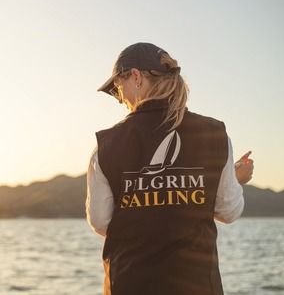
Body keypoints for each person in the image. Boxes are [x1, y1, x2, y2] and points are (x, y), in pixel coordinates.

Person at [86, 42, 254, 295]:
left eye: (118, 89)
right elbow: (228, 211)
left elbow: (100, 221)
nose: (120, 99)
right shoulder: (215, 135)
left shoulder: (106, 146)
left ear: (136, 77)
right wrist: (233, 178)